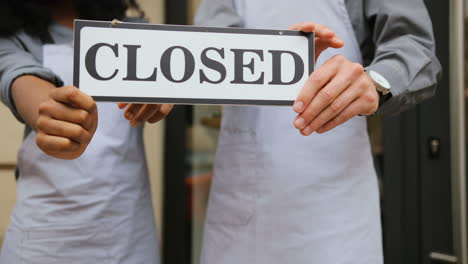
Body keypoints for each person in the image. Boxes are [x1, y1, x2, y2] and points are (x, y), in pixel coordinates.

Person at [195, 0, 441, 263]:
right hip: (241, 205)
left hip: (334, 208)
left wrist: (375, 83)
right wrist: (278, 61)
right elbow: (206, 49)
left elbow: (414, 46)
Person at [0, 1, 172, 263]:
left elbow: (179, 67)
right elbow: (18, 77)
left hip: (130, 236)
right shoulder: (11, 40)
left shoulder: (138, 34)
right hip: (44, 240)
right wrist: (50, 112)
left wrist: (167, 84)